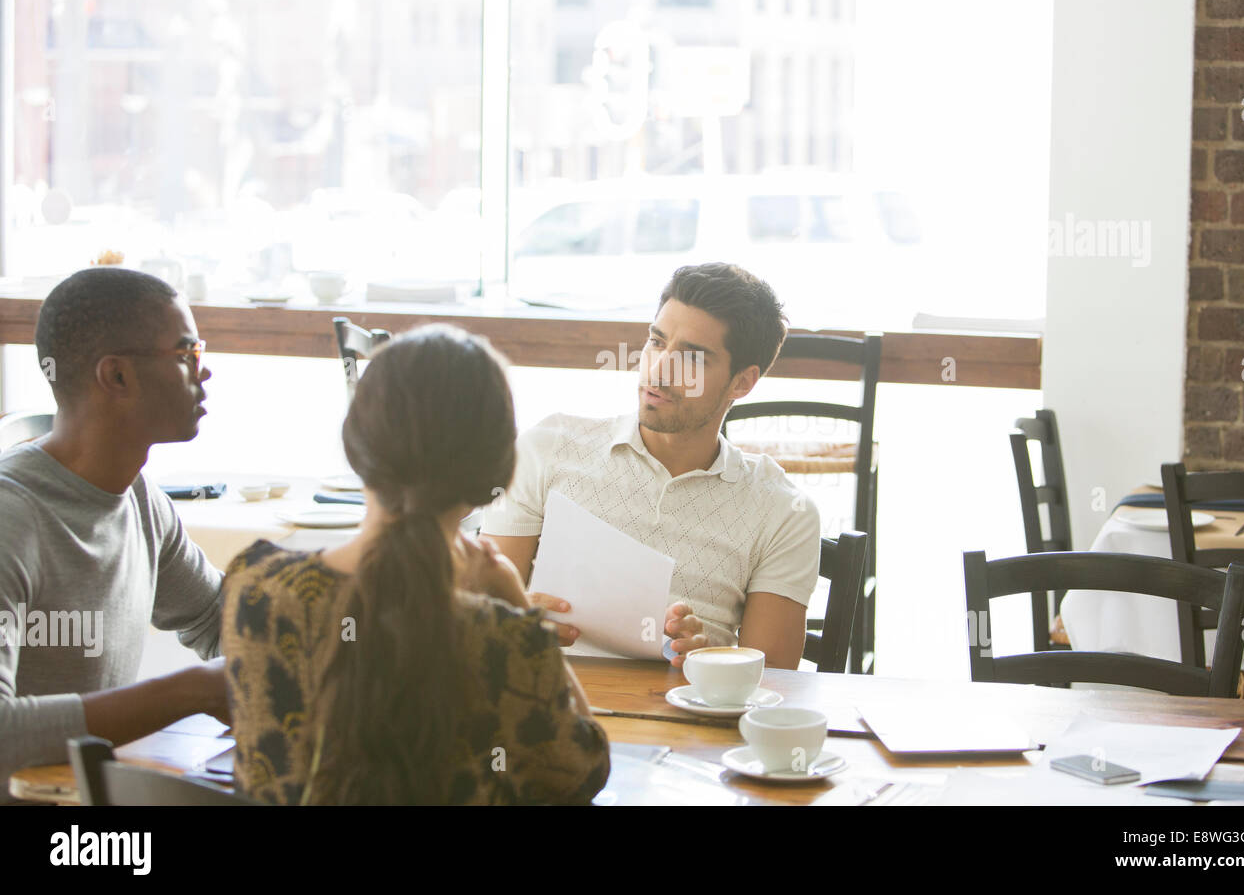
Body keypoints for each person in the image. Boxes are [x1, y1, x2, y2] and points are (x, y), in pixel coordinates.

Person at [221, 324, 610, 805]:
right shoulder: (502, 638)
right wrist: (515, 602)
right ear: (496, 473)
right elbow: (583, 771)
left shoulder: (255, 589)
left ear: (354, 445)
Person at [483, 263, 820, 670]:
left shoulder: (783, 512)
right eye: (657, 342)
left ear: (742, 383)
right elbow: (476, 627)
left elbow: (773, 685)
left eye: (692, 357)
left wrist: (706, 663)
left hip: (683, 724)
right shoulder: (548, 448)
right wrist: (510, 620)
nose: (658, 371)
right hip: (541, 710)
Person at [0, 267, 227, 803]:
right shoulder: (12, 519)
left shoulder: (140, 498)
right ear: (117, 376)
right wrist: (190, 691)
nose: (205, 371)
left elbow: (220, 619)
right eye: (186, 354)